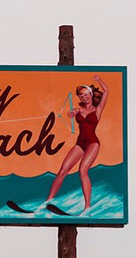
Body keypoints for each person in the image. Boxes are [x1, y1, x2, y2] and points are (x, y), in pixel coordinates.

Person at [45, 75, 109, 214]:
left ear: (91, 95)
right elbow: (72, 112)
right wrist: (71, 113)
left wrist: (98, 80)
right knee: (63, 170)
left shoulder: (97, 110)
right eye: (81, 96)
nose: (83, 98)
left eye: (85, 95)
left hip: (93, 143)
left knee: (82, 170)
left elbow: (106, 91)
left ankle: (87, 207)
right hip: (80, 144)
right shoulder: (79, 110)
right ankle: (48, 201)